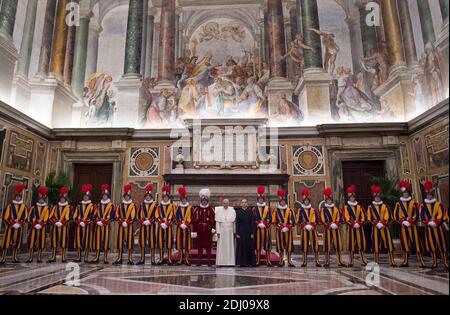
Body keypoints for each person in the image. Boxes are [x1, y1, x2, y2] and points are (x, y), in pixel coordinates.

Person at [393, 181, 425, 268]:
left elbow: (417, 214)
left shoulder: (413, 203)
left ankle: (421, 261)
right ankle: (405, 261)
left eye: (406, 193)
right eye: (404, 193)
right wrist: (402, 221)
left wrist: (411, 220)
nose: (405, 194)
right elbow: (395, 215)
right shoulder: (398, 204)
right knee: (405, 243)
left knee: (417, 242)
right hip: (403, 226)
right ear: (402, 194)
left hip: (412, 226)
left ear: (409, 193)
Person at [420, 181, 448, 269]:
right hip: (429, 228)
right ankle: (434, 262)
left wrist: (435, 221)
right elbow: (422, 215)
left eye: (430, 195)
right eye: (428, 195)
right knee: (431, 245)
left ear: (432, 195)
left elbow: (441, 214)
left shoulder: (438, 204)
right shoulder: (423, 205)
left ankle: (445, 262)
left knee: (442, 244)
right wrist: (428, 222)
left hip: (437, 227)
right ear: (426, 195)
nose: (429, 196)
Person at [367, 185, 397, 267]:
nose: (377, 198)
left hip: (385, 227)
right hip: (376, 227)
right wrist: (376, 223)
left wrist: (383, 223)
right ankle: (376, 260)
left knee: (389, 243)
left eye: (378, 197)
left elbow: (389, 216)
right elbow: (369, 218)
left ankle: (392, 260)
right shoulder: (370, 207)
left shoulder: (385, 206)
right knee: (376, 243)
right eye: (376, 197)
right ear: (374, 198)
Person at [0, 184, 28, 264]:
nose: (18, 198)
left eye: (19, 197)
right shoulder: (10, 206)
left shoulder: (24, 207)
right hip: (10, 227)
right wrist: (12, 223)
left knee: (17, 243)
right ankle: (3, 257)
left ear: (21, 198)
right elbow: (5, 217)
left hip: (19, 228)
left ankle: (14, 257)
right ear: (15, 197)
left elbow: (25, 217)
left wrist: (19, 223)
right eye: (17, 197)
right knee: (6, 243)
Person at [342, 185, 368, 267]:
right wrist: (353, 224)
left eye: (353, 197)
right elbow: (345, 218)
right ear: (349, 198)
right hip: (351, 228)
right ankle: (351, 261)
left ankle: (362, 260)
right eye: (351, 197)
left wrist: (359, 223)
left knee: (361, 244)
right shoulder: (346, 207)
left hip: (359, 228)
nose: (352, 199)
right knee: (351, 245)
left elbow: (364, 217)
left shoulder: (360, 207)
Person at [320, 188, 345, 268]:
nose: (329, 201)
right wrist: (329, 224)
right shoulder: (323, 209)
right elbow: (322, 219)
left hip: (335, 229)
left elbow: (339, 217)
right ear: (326, 201)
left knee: (338, 245)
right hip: (327, 229)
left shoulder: (336, 209)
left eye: (330, 200)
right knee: (327, 246)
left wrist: (336, 223)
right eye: (328, 200)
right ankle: (327, 261)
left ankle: (339, 261)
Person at [296, 188, 321, 267]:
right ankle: (304, 261)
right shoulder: (300, 210)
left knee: (315, 245)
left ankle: (317, 261)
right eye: (305, 201)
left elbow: (317, 220)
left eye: (307, 201)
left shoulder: (313, 210)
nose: (306, 202)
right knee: (304, 245)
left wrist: (312, 225)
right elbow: (298, 221)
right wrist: (305, 225)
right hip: (304, 230)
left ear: (309, 202)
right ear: (303, 202)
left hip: (312, 230)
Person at [48, 186, 72, 263]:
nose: (62, 199)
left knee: (63, 242)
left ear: (65, 199)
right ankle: (53, 256)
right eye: (61, 198)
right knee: (54, 241)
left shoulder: (68, 207)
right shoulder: (55, 207)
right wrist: (55, 222)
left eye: (63, 199)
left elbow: (69, 217)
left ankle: (63, 257)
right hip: (55, 226)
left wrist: (62, 222)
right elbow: (50, 216)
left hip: (64, 227)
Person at [114, 184, 136, 265]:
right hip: (121, 226)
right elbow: (116, 215)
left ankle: (129, 258)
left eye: (128, 196)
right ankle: (119, 258)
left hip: (129, 226)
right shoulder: (120, 205)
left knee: (130, 242)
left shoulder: (132, 205)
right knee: (120, 241)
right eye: (125, 196)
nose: (127, 197)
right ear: (124, 197)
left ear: (130, 197)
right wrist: (121, 221)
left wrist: (127, 222)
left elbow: (133, 216)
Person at [26, 186, 50, 263]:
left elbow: (47, 218)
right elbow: (29, 217)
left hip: (42, 228)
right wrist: (34, 223)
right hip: (33, 227)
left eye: (42, 199)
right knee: (31, 242)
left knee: (40, 243)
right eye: (40, 199)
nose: (41, 200)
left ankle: (39, 257)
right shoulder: (33, 208)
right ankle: (30, 257)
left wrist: (42, 223)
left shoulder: (46, 208)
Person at [193, 189, 216, 266]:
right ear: (201, 201)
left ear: (207, 201)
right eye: (203, 201)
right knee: (199, 246)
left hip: (208, 230)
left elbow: (214, 219)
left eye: (205, 201)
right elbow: (194, 221)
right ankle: (199, 261)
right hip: (200, 230)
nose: (204, 202)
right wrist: (194, 231)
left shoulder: (211, 210)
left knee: (208, 246)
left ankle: (209, 261)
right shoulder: (197, 209)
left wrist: (213, 228)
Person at [93, 184, 114, 264]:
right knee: (98, 241)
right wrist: (97, 220)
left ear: (108, 196)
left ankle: (105, 257)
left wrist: (105, 221)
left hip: (106, 226)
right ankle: (97, 256)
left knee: (106, 241)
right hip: (98, 225)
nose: (104, 197)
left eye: (106, 196)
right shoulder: (98, 205)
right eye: (103, 196)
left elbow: (112, 215)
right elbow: (94, 215)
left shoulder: (111, 205)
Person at [74, 184, 95, 263]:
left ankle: (86, 257)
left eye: (87, 196)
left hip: (87, 226)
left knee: (87, 241)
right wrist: (79, 221)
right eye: (85, 196)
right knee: (78, 241)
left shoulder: (92, 206)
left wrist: (86, 221)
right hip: (79, 226)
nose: (85, 197)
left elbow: (92, 216)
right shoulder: (79, 206)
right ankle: (78, 256)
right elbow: (75, 216)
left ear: (89, 197)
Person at [137, 184, 158, 265]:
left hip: (151, 226)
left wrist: (150, 221)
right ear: (145, 197)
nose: (148, 197)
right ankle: (142, 259)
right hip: (143, 226)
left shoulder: (155, 205)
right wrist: (142, 221)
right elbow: (138, 215)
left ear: (151, 197)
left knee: (152, 242)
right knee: (142, 242)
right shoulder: (142, 205)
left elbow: (156, 215)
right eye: (147, 196)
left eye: (149, 196)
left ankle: (153, 260)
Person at [274, 189, 295, 267]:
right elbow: (274, 221)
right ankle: (281, 261)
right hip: (280, 231)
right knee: (280, 246)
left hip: (288, 231)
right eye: (281, 202)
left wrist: (288, 226)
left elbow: (293, 220)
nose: (282, 203)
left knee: (289, 246)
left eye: (283, 201)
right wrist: (280, 227)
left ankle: (289, 261)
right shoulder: (276, 211)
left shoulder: (290, 211)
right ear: (279, 202)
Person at [156, 185, 175, 265]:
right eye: (164, 197)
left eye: (167, 197)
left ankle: (169, 259)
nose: (165, 198)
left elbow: (173, 216)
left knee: (169, 243)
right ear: (163, 198)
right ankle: (161, 259)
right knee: (160, 243)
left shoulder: (172, 206)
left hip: (169, 227)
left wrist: (167, 223)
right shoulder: (159, 206)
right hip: (161, 227)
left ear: (169, 198)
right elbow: (156, 216)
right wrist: (161, 223)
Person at [254, 186, 273, 267]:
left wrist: (265, 224)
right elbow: (253, 219)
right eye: (259, 199)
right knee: (258, 245)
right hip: (258, 229)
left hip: (266, 229)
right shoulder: (254, 209)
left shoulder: (267, 208)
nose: (261, 200)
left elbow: (270, 218)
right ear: (258, 200)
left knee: (267, 245)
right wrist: (258, 223)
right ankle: (257, 261)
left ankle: (268, 261)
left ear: (263, 200)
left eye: (262, 199)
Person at [215, 198, 236, 267]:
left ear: (228, 203)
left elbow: (234, 222)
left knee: (229, 246)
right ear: (222, 203)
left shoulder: (232, 211)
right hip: (222, 231)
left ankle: (230, 262)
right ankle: (221, 262)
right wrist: (218, 232)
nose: (225, 204)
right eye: (224, 203)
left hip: (230, 231)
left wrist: (234, 232)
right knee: (222, 247)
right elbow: (217, 222)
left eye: (227, 203)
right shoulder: (219, 211)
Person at [235, 199, 256, 267]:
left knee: (249, 247)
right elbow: (237, 223)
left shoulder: (250, 212)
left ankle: (250, 262)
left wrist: (252, 233)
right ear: (241, 204)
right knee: (242, 247)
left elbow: (252, 223)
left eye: (245, 202)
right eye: (242, 202)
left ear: (247, 204)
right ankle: (242, 263)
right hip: (241, 233)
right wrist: (237, 233)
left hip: (249, 232)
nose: (244, 204)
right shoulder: (238, 212)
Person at [175, 186, 193, 265]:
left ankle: (186, 259)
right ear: (181, 200)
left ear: (186, 200)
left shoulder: (190, 208)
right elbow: (176, 217)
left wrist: (186, 224)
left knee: (186, 244)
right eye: (182, 200)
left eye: (185, 200)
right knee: (180, 243)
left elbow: (192, 217)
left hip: (187, 228)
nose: (184, 201)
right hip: (179, 228)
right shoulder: (178, 208)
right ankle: (180, 259)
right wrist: (180, 224)